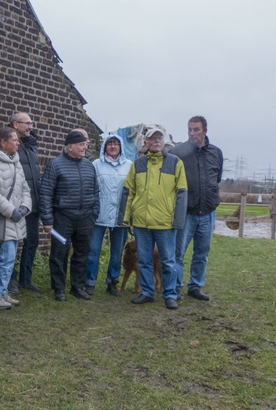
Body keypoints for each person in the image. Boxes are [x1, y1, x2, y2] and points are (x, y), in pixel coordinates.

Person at [120, 127, 187, 310]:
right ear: (146, 143)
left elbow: (182, 193)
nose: (156, 141)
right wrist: (124, 218)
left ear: (163, 142)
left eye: (159, 138)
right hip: (141, 223)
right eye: (152, 139)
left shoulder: (175, 163)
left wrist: (178, 220)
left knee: (168, 261)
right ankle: (147, 292)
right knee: (143, 260)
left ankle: (170, 294)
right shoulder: (138, 164)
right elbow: (129, 191)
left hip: (165, 223)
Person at [40, 129, 100, 301]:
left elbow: (96, 192)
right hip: (62, 218)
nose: (84, 148)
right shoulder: (55, 165)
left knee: (82, 253)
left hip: (85, 218)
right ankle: (59, 288)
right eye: (82, 145)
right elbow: (46, 193)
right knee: (59, 253)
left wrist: (94, 213)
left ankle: (77, 286)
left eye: (85, 145)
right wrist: (48, 220)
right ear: (70, 146)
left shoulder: (89, 165)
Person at [170, 116, 223, 301]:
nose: (192, 133)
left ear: (205, 131)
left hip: (208, 213)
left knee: (202, 253)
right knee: (178, 253)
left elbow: (216, 179)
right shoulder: (178, 153)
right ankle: (175, 288)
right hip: (186, 214)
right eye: (190, 129)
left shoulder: (216, 153)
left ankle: (196, 286)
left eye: (196, 130)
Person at [0, 127, 32, 309]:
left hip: (17, 218)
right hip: (4, 219)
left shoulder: (16, 163)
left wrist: (24, 207)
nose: (18, 143)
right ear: (3, 143)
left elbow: (25, 189)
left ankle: (2, 292)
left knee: (10, 259)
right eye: (14, 140)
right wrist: (11, 210)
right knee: (6, 258)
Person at [85, 134, 132, 297]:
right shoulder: (96, 165)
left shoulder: (129, 166)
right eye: (110, 143)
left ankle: (113, 281)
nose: (113, 146)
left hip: (121, 216)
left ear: (121, 147)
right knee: (94, 250)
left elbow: (133, 190)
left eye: (116, 144)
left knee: (117, 252)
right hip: (99, 214)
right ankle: (90, 282)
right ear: (105, 146)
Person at [8, 112, 43, 294]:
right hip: (16, 204)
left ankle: (26, 279)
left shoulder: (31, 146)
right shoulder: (9, 145)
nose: (31, 126)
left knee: (32, 242)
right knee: (12, 243)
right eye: (27, 123)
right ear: (15, 124)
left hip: (33, 203)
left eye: (31, 123)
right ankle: (10, 280)